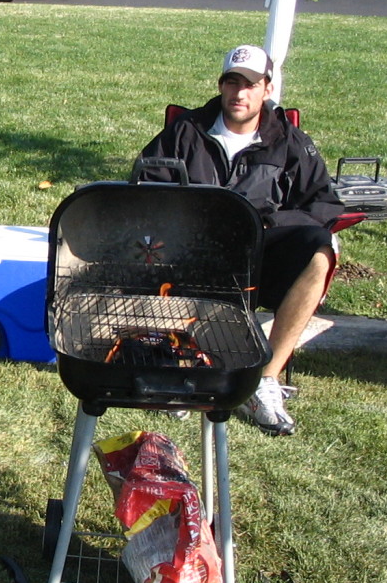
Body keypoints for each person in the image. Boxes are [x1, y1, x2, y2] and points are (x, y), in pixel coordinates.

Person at [138, 45, 345, 435]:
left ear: (267, 89)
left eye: (250, 84)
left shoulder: (289, 140)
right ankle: (181, 363)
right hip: (193, 252)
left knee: (319, 250)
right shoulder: (186, 131)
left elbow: (324, 205)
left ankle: (264, 379)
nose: (240, 93)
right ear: (221, 85)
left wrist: (265, 222)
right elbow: (145, 187)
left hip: (261, 254)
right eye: (232, 82)